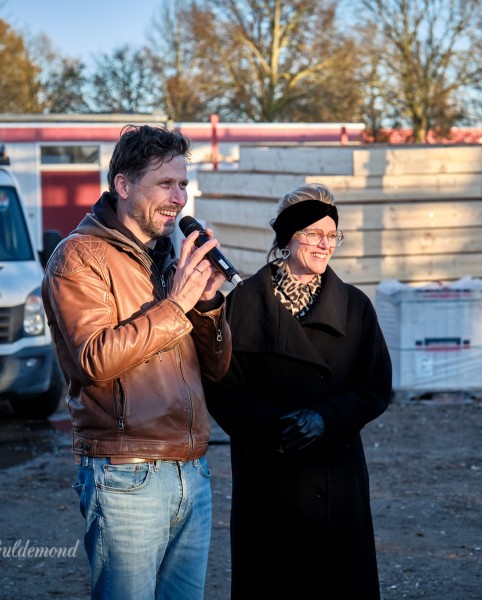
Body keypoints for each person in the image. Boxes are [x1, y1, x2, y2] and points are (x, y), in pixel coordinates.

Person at [41, 124, 232, 600]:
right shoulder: (80, 257)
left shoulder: (171, 255)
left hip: (192, 470)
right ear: (123, 186)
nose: (178, 198)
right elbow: (95, 359)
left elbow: (218, 368)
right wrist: (177, 307)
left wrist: (207, 307)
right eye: (166, 184)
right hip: (127, 473)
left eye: (184, 185)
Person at [205, 182, 392, 599]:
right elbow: (221, 387)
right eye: (313, 234)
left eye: (332, 235)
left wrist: (327, 417)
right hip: (268, 478)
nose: (325, 244)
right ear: (288, 238)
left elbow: (376, 386)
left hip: (336, 483)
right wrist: (274, 425)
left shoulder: (355, 306)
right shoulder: (244, 303)